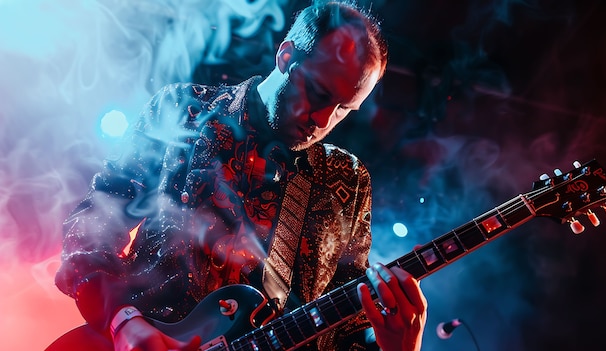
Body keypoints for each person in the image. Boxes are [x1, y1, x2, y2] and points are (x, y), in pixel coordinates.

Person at [54, 2, 427, 350]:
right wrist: (124, 321)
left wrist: (393, 346)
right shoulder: (184, 112)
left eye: (344, 109)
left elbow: (342, 336)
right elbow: (92, 224)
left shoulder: (348, 179)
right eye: (317, 92)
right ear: (286, 55)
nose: (322, 120)